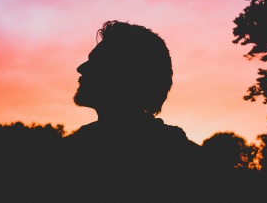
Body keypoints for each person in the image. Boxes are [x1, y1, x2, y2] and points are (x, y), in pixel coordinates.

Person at [64, 21, 203, 202]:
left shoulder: (71, 158)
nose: (81, 68)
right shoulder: (187, 159)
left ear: (127, 75)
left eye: (97, 62)